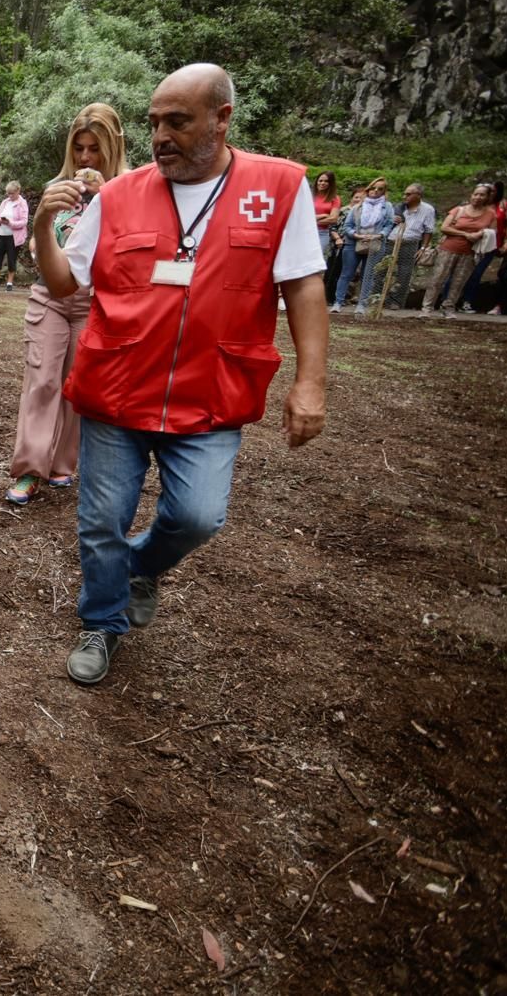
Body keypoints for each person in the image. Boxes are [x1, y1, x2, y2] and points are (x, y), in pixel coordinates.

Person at [32, 63, 328, 687]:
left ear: (221, 120)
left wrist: (311, 381)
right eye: (154, 123)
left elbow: (303, 284)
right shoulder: (118, 195)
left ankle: (140, 567)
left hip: (212, 394)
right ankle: (103, 621)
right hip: (117, 389)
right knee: (100, 519)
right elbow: (64, 283)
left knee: (198, 516)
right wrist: (41, 229)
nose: (161, 136)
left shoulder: (276, 189)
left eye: (177, 121)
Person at [5, 103, 129, 506]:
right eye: (79, 148)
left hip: (96, 301)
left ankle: (62, 464)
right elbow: (41, 251)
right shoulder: (59, 186)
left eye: (94, 148)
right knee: (42, 381)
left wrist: (107, 199)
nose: (85, 158)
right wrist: (42, 220)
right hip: (50, 297)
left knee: (78, 388)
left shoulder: (132, 191)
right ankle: (28, 469)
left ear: (113, 147)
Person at [421, 182, 498, 317]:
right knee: (437, 279)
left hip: (470, 252)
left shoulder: (490, 214)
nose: (478, 197)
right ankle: (427, 308)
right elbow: (444, 227)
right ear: (471, 195)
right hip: (448, 249)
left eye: (482, 195)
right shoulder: (459, 210)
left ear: (487, 197)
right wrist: (466, 234)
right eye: (476, 194)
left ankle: (448, 308)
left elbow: (492, 232)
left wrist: (480, 234)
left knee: (459, 281)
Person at [377, 182, 436, 310]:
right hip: (391, 241)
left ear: (418, 195)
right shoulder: (399, 207)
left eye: (408, 194)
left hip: (410, 243)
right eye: (404, 194)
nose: (405, 196)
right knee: (381, 269)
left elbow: (429, 230)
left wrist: (423, 248)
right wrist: (393, 220)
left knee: (404, 273)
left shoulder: (428, 209)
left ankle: (395, 302)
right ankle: (377, 298)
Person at [461, 181, 507, 312]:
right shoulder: (474, 205)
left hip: (491, 244)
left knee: (477, 273)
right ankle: (449, 300)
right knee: (461, 272)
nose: (490, 194)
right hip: (470, 243)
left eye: (493, 191)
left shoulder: (503, 205)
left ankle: (467, 301)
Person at [351, 178, 398, 312]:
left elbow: (389, 224)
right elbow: (349, 224)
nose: (376, 191)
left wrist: (381, 234)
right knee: (351, 273)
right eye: (373, 188)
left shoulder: (387, 206)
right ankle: (343, 301)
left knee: (369, 273)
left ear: (384, 192)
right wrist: (358, 235)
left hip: (376, 242)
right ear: (369, 189)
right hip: (357, 241)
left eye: (380, 189)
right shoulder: (360, 204)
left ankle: (362, 304)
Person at [0, 180, 29, 291]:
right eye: (8, 193)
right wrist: (0, 220)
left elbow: (24, 221)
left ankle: (9, 283)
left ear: (18, 191)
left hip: (13, 237)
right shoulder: (5, 202)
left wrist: (11, 223)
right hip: (0, 234)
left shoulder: (22, 203)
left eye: (12, 193)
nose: (9, 196)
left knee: (11, 259)